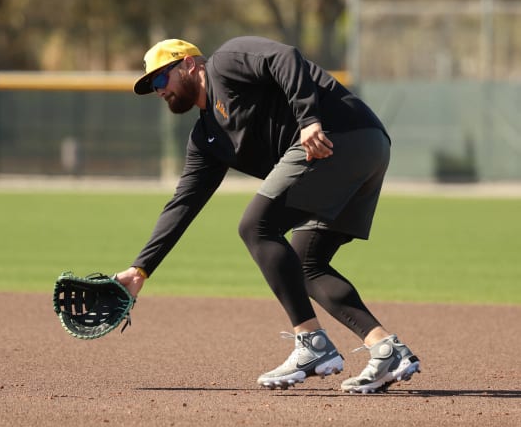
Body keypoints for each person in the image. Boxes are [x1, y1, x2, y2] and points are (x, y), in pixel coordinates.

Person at [115, 36, 420, 393]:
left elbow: (285, 58)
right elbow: (183, 203)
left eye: (161, 78)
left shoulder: (226, 62)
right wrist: (140, 270)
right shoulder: (207, 138)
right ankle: (386, 349)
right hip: (362, 150)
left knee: (256, 227)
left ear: (189, 65)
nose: (158, 90)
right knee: (306, 263)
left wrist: (309, 119)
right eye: (152, 85)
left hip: (340, 134)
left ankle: (312, 344)